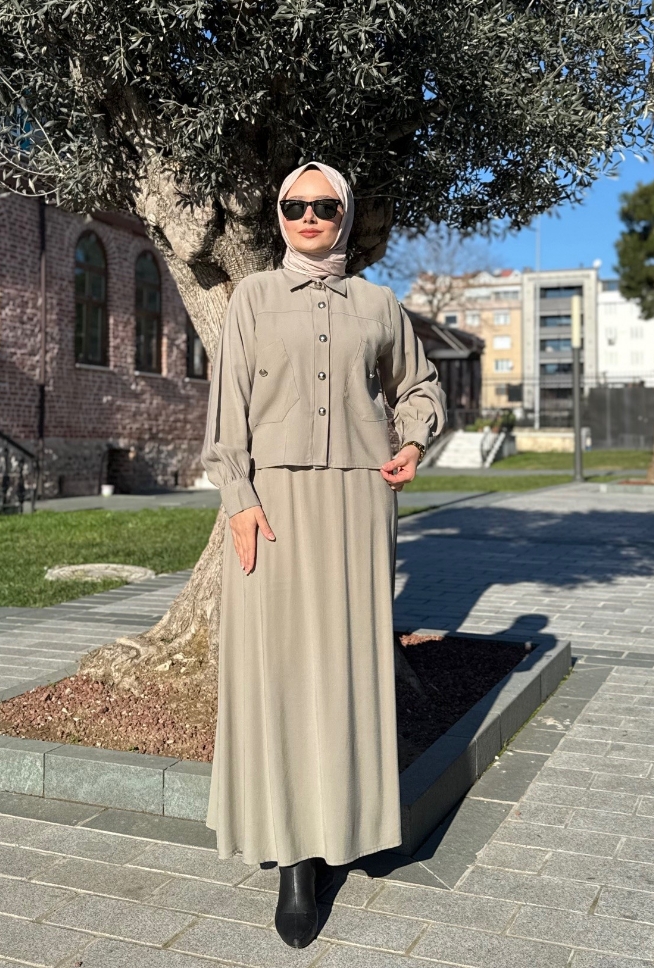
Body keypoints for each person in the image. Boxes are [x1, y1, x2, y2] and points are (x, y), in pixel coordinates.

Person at [201, 160, 446, 948]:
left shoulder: (379, 304)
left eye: (324, 206)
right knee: (277, 670)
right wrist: (238, 500)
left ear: (345, 213)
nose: (309, 217)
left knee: (346, 665)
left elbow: (420, 386)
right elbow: (226, 413)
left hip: (358, 504)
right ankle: (293, 857)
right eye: (294, 205)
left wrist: (412, 441)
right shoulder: (251, 298)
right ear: (279, 215)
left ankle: (347, 824)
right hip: (271, 505)